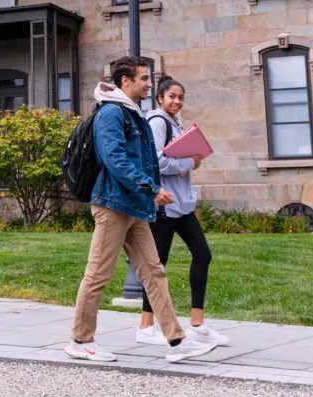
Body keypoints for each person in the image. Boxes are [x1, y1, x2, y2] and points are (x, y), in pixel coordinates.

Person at [65, 57, 217, 364]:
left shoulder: (134, 114)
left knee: (154, 272)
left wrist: (147, 193)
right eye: (144, 79)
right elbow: (114, 159)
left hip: (133, 205)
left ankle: (177, 341)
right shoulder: (111, 113)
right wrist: (150, 187)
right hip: (112, 204)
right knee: (97, 274)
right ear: (126, 82)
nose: (150, 84)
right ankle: (81, 340)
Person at [134, 77, 229, 346]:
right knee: (156, 266)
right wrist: (189, 162)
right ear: (160, 98)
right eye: (172, 96)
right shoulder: (157, 122)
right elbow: (155, 161)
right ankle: (145, 327)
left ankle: (197, 324)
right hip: (163, 205)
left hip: (182, 205)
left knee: (203, 255)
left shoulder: (176, 124)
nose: (177, 101)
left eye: (181, 97)